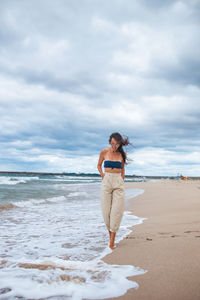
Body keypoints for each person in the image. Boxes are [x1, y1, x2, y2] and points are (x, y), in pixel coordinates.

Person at [97, 132, 131, 249]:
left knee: (116, 212)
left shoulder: (123, 154)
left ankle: (112, 241)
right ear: (109, 142)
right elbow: (99, 165)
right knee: (106, 213)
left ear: (120, 144)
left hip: (118, 183)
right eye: (112, 143)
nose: (114, 146)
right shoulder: (104, 152)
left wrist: (122, 178)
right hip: (106, 182)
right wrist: (102, 175)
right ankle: (110, 236)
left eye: (116, 144)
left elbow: (122, 168)